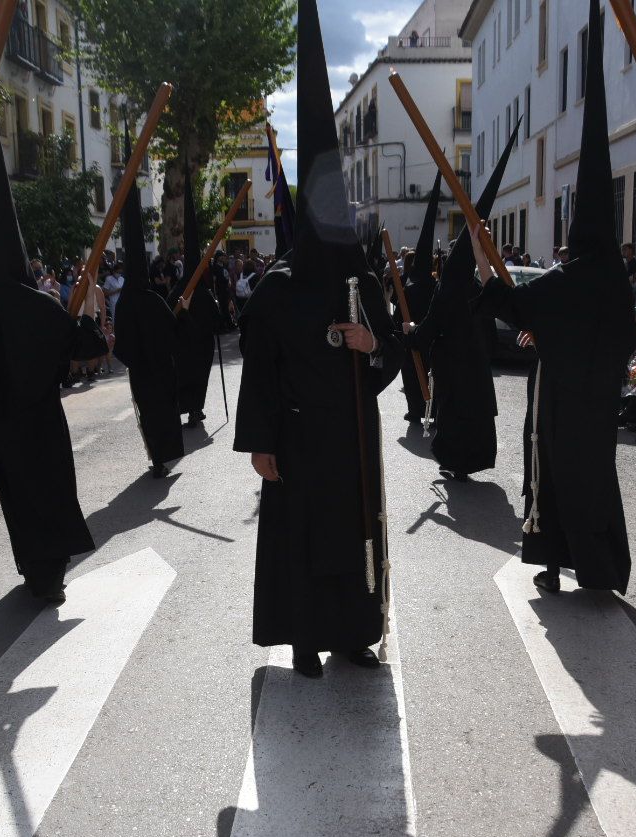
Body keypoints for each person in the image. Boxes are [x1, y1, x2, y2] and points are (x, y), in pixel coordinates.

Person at [234, 0, 408, 678]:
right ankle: (304, 639)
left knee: (353, 535)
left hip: (355, 441)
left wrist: (374, 347)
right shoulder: (277, 291)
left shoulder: (363, 284)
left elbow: (392, 355)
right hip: (301, 441)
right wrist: (263, 444)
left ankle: (352, 634)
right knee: (302, 540)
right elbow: (259, 374)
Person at [469, 0, 632, 596]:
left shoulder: (571, 278)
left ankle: (556, 562)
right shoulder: (615, 280)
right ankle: (602, 569)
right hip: (601, 406)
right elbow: (612, 334)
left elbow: (518, 310)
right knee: (598, 481)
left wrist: (488, 272)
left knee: (556, 477)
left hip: (563, 402)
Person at [0, 13, 95, 603]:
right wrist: (83, 313)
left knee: (17, 492)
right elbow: (87, 350)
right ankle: (51, 573)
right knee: (48, 489)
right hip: (39, 422)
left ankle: (31, 569)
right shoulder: (38, 306)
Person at [407, 127, 517, 482]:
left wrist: (408, 334)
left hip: (455, 371)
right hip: (478, 370)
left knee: (455, 417)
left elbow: (427, 332)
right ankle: (471, 462)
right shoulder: (475, 287)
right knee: (474, 416)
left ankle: (457, 462)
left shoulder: (449, 292)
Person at [114, 185, 185, 479]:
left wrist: (134, 357)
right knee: (164, 412)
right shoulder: (153, 299)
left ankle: (157, 458)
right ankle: (164, 457)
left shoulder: (125, 303)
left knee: (148, 414)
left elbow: (121, 341)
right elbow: (172, 328)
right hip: (160, 368)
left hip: (143, 372)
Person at [173, 173, 218, 427]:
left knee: (193, 375)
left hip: (195, 345)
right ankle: (193, 408)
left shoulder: (196, 290)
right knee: (195, 375)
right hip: (192, 345)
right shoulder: (195, 290)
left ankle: (192, 408)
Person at [397, 177, 442, 424]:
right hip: (430, 338)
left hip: (413, 338)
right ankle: (431, 409)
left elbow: (397, 318)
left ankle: (417, 410)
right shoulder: (436, 285)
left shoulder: (409, 287)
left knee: (413, 376)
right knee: (430, 374)